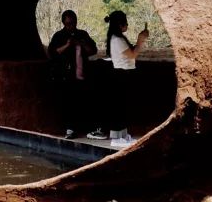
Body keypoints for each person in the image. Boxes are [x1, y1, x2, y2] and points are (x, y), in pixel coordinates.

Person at [103, 9, 149, 147]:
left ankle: (122, 136)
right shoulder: (117, 39)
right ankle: (116, 139)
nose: (127, 25)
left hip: (123, 74)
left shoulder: (118, 38)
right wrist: (141, 40)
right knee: (119, 107)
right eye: (125, 22)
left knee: (122, 106)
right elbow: (132, 55)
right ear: (119, 24)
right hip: (120, 74)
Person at [48, 10, 97, 138]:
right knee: (68, 102)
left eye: (73, 23)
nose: (71, 26)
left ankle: (85, 127)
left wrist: (81, 43)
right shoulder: (59, 36)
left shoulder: (83, 34)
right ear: (64, 23)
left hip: (83, 74)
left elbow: (93, 50)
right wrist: (67, 45)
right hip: (66, 75)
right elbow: (53, 52)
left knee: (84, 101)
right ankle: (70, 129)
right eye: (68, 24)